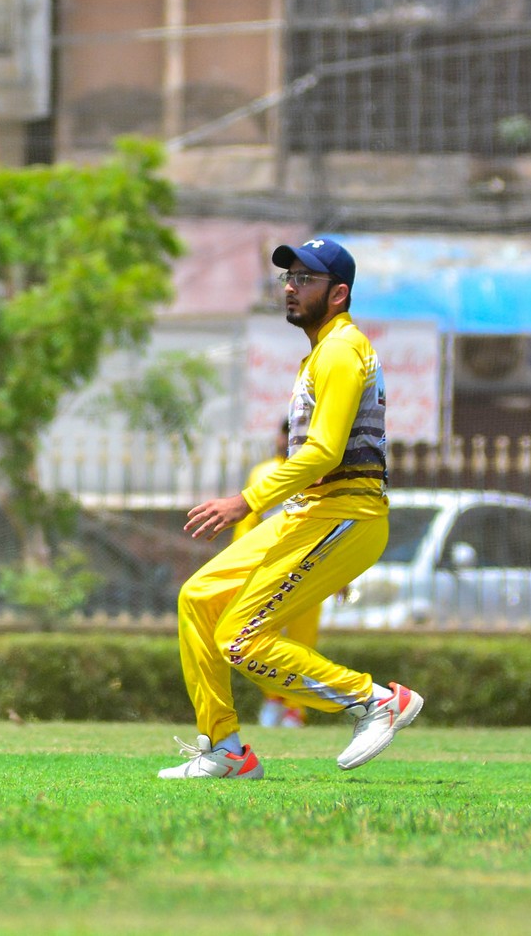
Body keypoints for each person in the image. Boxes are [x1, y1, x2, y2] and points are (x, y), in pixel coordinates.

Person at [159, 237, 422, 779]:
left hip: (345, 514)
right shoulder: (322, 352)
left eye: (305, 279)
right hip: (313, 516)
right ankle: (225, 751)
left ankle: (374, 701)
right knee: (198, 598)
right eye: (289, 277)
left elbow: (324, 452)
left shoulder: (342, 350)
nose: (290, 288)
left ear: (338, 294)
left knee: (239, 638)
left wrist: (245, 501)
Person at [231, 420, 310, 729]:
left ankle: (296, 709)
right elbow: (246, 525)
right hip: (268, 571)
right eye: (285, 432)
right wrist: (239, 567)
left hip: (308, 569)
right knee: (259, 637)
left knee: (303, 642)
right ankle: (273, 697)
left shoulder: (316, 476)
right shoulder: (263, 473)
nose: (287, 439)